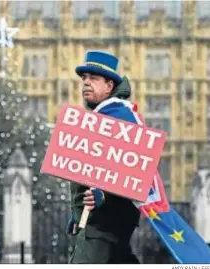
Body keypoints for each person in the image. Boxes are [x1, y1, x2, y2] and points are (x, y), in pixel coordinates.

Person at [67, 51, 141, 264]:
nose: (86, 83)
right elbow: (89, 171)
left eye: (93, 78)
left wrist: (105, 196)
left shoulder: (121, 117)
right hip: (96, 221)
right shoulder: (99, 116)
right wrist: (77, 210)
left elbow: (135, 168)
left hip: (107, 221)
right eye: (84, 78)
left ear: (109, 86)